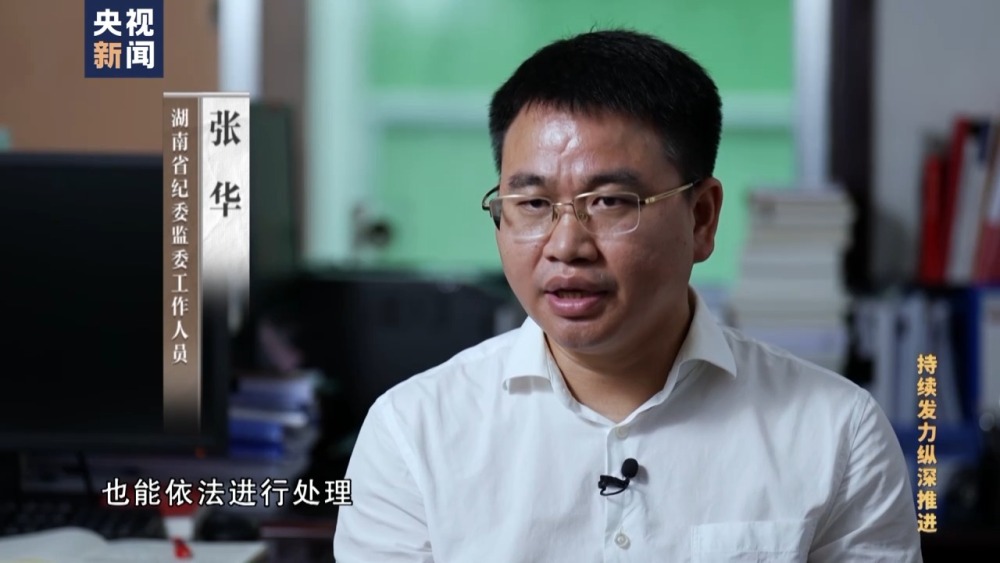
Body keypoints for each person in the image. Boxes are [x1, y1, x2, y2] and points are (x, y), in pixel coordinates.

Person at [333, 29, 921, 562]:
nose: (567, 245)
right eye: (533, 204)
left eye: (610, 202)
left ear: (701, 218)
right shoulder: (413, 434)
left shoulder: (837, 433)